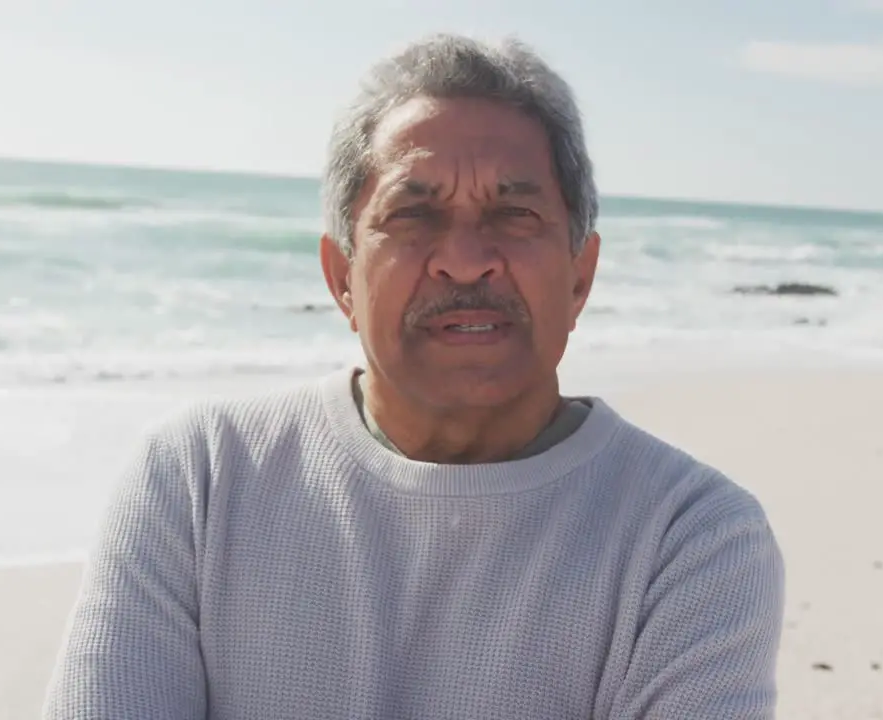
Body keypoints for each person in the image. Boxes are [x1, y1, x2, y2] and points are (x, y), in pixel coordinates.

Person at [43, 33, 785, 720]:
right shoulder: (200, 479)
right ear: (341, 277)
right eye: (413, 214)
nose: (465, 261)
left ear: (580, 276)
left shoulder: (689, 538)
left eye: (515, 213)